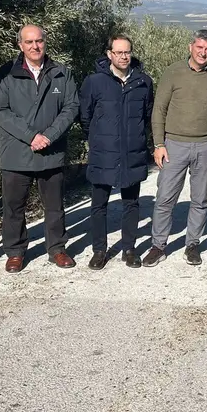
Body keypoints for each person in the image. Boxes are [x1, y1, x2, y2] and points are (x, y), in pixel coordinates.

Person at [0, 25, 79, 273]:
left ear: (45, 42)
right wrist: (31, 136)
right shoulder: (6, 74)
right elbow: (0, 110)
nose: (35, 46)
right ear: (20, 45)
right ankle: (15, 252)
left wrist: (48, 136)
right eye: (29, 42)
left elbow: (71, 107)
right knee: (14, 207)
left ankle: (57, 249)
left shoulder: (62, 73)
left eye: (39, 41)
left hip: (51, 152)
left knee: (54, 206)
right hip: (16, 153)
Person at [144, 29, 207, 267]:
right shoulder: (173, 72)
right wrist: (158, 144)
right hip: (173, 144)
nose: (203, 53)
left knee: (200, 199)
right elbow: (159, 109)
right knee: (164, 198)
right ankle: (158, 245)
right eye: (200, 47)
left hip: (206, 144)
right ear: (190, 47)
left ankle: (192, 244)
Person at [79, 34, 154, 269]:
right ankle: (99, 250)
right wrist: (98, 138)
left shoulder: (143, 82)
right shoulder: (94, 82)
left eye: (127, 52)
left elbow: (147, 115)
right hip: (104, 152)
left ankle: (129, 249)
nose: (124, 56)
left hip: (132, 151)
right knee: (99, 204)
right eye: (119, 52)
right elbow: (85, 116)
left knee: (131, 203)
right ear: (109, 53)